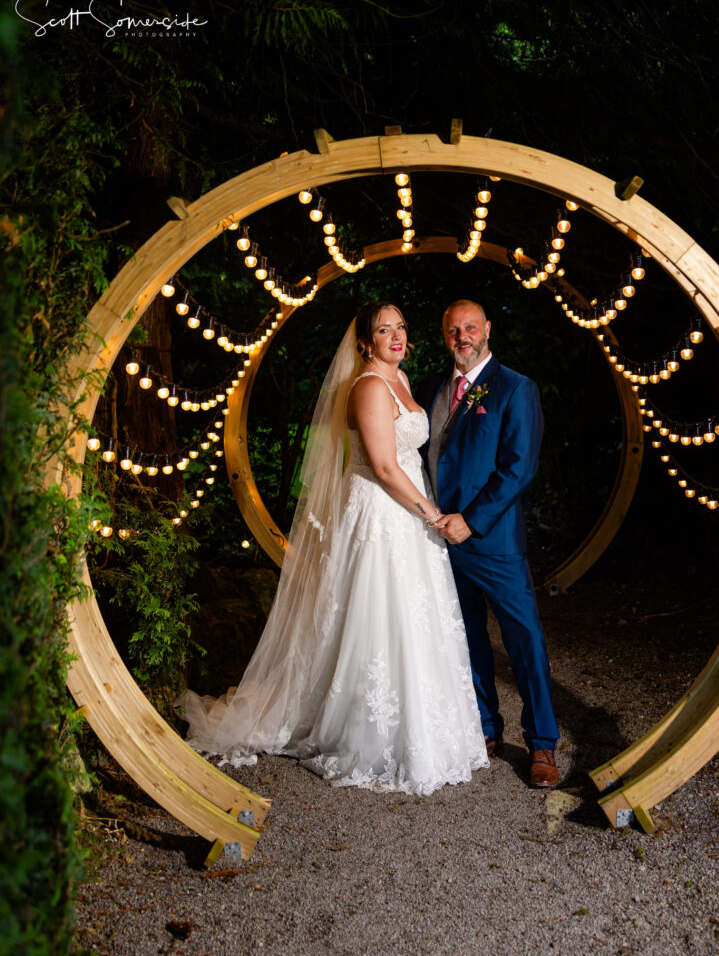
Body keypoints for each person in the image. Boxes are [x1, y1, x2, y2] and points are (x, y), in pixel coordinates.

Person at [175, 301, 488, 795]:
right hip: (384, 513)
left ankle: (424, 729)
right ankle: (368, 734)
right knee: (378, 613)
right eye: (384, 330)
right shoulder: (368, 386)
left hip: (409, 513)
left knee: (415, 613)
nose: (396, 336)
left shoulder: (403, 382)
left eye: (401, 327)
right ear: (364, 342)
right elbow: (384, 467)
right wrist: (433, 515)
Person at [417, 299, 560, 788]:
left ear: (487, 330)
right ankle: (484, 729)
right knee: (465, 639)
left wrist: (471, 522)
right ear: (445, 336)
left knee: (524, 641)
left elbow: (518, 467)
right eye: (453, 329)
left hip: (492, 541)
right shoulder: (434, 387)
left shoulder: (515, 388)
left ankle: (542, 745)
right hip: (437, 540)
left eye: (470, 327)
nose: (462, 336)